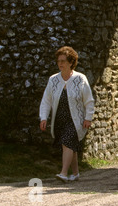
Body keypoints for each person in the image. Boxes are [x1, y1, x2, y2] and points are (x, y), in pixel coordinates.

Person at [39, 46, 95, 183]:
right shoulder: (53, 80)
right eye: (59, 61)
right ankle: (75, 173)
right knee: (70, 146)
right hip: (59, 119)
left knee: (67, 143)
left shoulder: (80, 79)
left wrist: (88, 118)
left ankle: (63, 173)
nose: (60, 64)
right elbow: (46, 100)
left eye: (63, 61)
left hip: (76, 121)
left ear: (71, 62)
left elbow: (89, 100)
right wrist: (44, 117)